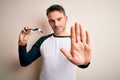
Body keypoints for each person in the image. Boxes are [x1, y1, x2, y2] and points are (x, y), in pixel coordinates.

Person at [18, 4, 91, 80]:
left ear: (66, 19)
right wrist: (22, 43)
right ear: (49, 22)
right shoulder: (42, 41)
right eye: (52, 21)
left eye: (59, 19)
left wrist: (85, 63)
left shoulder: (76, 42)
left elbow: (82, 63)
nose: (56, 24)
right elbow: (24, 62)